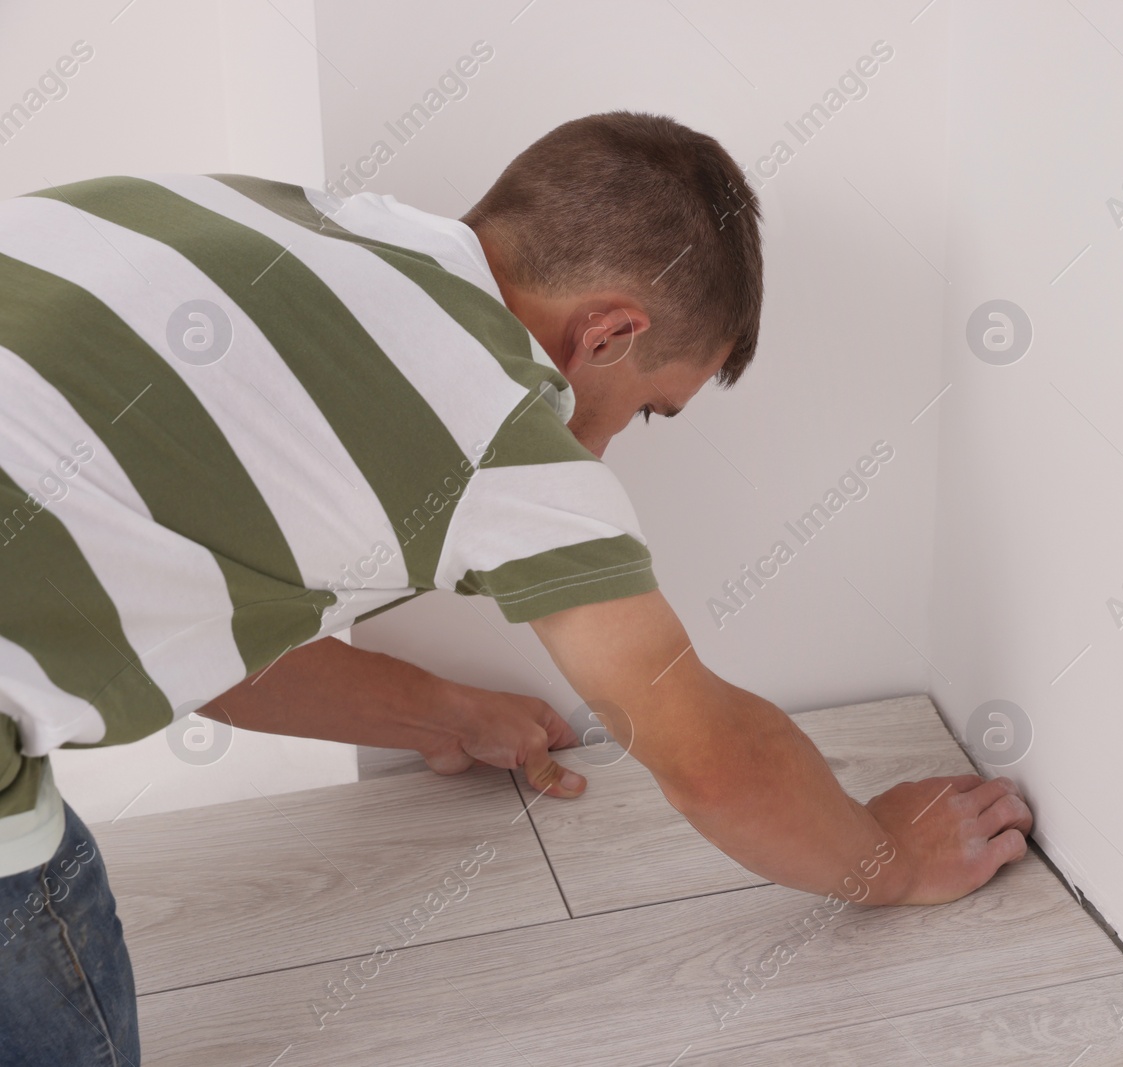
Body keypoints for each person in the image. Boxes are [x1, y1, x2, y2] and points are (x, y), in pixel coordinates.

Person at [0, 110, 1032, 1065]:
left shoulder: (260, 217)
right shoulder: (494, 423)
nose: (608, 444)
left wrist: (436, 711)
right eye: (645, 409)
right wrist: (886, 858)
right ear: (609, 333)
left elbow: (173, 622)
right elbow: (708, 752)